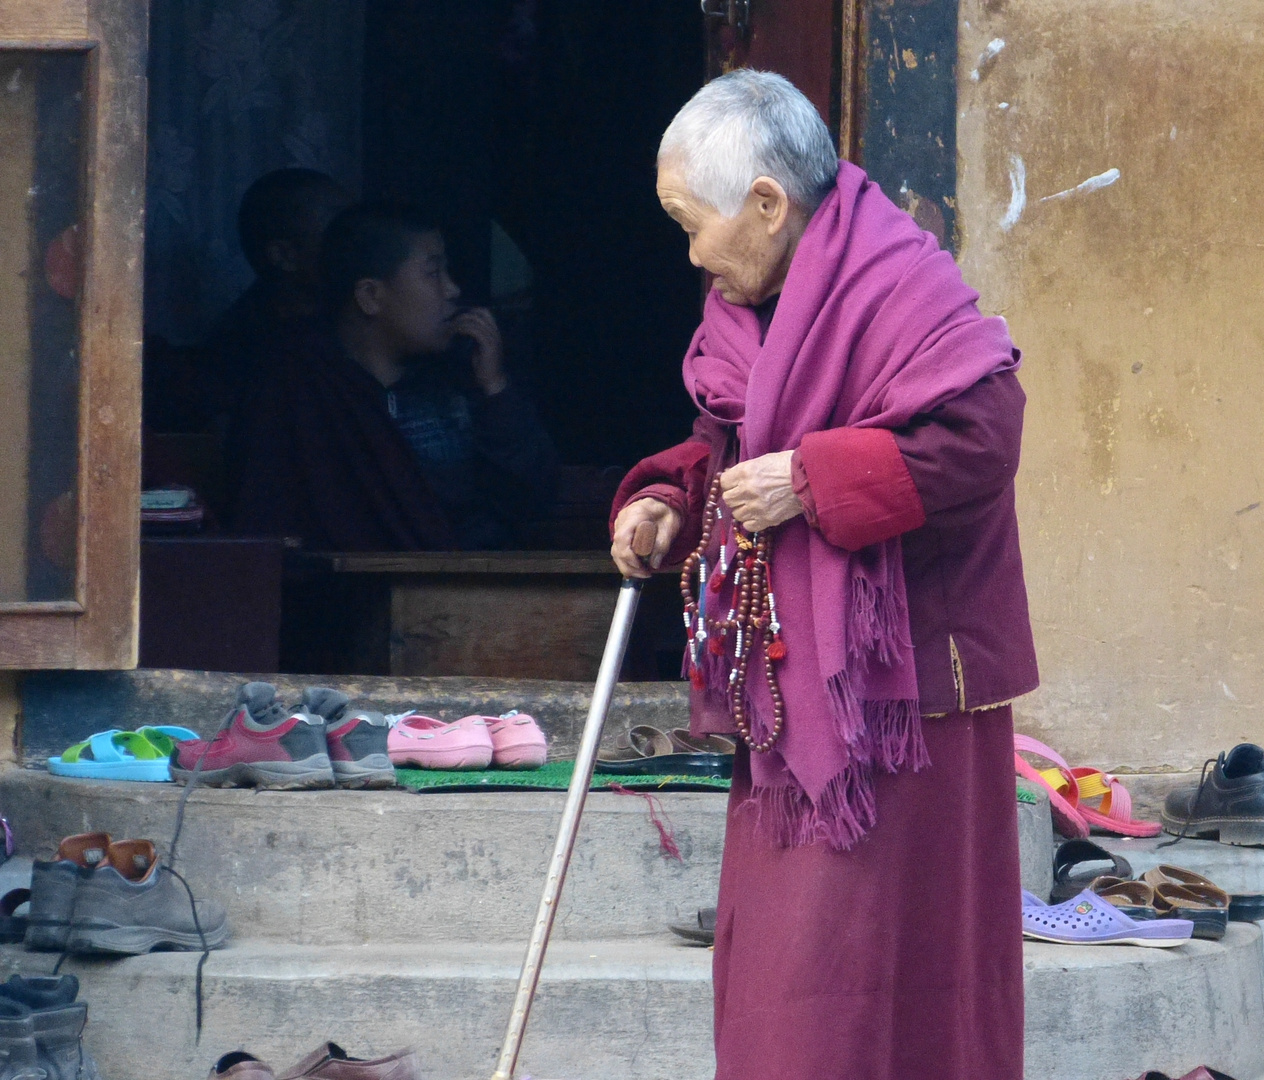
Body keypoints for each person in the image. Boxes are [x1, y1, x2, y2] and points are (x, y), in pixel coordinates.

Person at [609, 70, 1035, 1079]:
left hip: (901, 695)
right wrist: (667, 498)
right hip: (792, 684)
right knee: (784, 967)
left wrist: (812, 480)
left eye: (691, 222)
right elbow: (725, 436)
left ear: (765, 204)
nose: (690, 253)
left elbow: (981, 439)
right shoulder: (750, 305)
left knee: (903, 962)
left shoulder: (898, 284)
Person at [230, 202, 557, 550]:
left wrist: (496, 391)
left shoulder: (460, 381)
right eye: (433, 273)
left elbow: (531, 501)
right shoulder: (302, 387)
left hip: (471, 588)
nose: (452, 290)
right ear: (371, 296)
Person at [206, 168, 353, 410]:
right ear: (285, 256)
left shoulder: (349, 321)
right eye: (340, 232)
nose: (357, 243)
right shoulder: (253, 353)